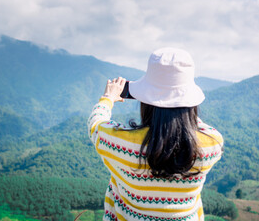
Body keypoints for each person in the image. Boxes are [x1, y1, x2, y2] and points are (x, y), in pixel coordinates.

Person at [87, 48, 223, 221]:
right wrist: (181, 109)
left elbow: (96, 124)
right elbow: (200, 127)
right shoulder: (211, 145)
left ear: (145, 100)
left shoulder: (119, 142)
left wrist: (108, 97)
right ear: (190, 102)